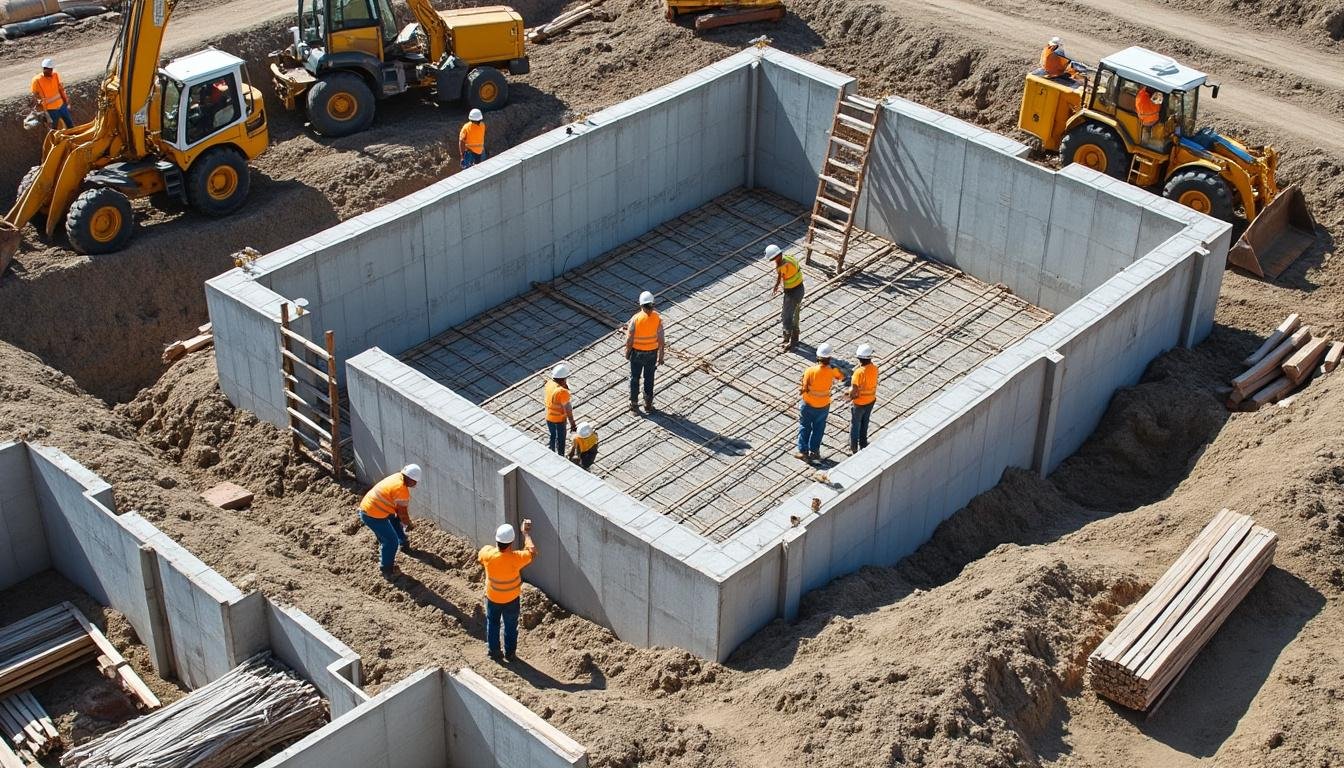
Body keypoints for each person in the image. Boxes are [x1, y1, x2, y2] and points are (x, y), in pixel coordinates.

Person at [478, 520, 535, 662]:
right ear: (511, 542)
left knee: (493, 624)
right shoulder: (517, 558)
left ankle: (494, 652)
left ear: (497, 539)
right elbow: (532, 552)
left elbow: (480, 557)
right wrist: (526, 534)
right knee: (510, 626)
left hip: (493, 598)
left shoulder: (488, 554)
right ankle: (510, 653)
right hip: (511, 599)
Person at [358, 463, 421, 580]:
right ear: (410, 479)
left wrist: (402, 521)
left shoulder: (397, 476)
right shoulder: (401, 490)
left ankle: (403, 541)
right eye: (415, 481)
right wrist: (408, 523)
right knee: (391, 541)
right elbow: (402, 514)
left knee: (394, 519)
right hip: (373, 515)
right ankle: (386, 569)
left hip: (369, 507)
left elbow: (397, 513)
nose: (416, 484)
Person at [796, 343, 844, 463]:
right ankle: (815, 452)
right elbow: (841, 377)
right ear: (829, 358)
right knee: (819, 428)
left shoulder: (810, 371)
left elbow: (804, 387)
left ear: (817, 357)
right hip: (823, 406)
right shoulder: (832, 371)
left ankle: (803, 452)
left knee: (805, 427)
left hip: (808, 404)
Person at [625, 290, 665, 413]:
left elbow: (629, 338)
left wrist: (627, 352)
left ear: (641, 304)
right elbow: (661, 340)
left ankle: (634, 404)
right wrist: (661, 356)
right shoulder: (657, 318)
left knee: (634, 378)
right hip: (652, 354)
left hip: (637, 353)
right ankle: (648, 404)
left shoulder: (636, 319)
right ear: (652, 304)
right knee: (649, 378)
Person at [768, 244, 804, 353]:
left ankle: (791, 341)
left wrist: (776, 286)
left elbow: (780, 274)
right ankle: (792, 338)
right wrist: (776, 286)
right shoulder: (789, 258)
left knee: (787, 316)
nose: (772, 261)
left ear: (776, 257)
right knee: (794, 314)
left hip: (792, 293)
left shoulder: (782, 266)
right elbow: (781, 275)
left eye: (772, 259)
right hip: (800, 289)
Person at [846, 343, 879, 454]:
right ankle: (863, 444)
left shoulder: (858, 372)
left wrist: (848, 395)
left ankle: (853, 447)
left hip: (859, 403)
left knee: (855, 424)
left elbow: (854, 391)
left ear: (859, 358)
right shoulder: (875, 369)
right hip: (871, 400)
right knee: (865, 422)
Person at [31, 58, 73, 130]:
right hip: (50, 109)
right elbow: (35, 95)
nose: (51, 72)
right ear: (44, 69)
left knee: (70, 125)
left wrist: (66, 101)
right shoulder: (36, 80)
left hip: (61, 105)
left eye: (51, 69)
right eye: (49, 70)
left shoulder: (55, 75)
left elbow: (60, 89)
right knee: (54, 129)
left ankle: (73, 138)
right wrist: (41, 111)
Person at [544, 363, 577, 455]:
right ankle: (560, 456)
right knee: (561, 439)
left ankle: (551, 452)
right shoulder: (562, 392)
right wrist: (573, 424)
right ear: (564, 379)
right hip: (559, 419)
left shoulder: (549, 383)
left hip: (549, 417)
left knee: (553, 436)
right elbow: (568, 409)